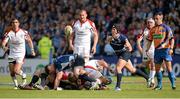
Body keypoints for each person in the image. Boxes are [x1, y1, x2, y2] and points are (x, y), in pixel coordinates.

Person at [109, 24, 149, 91]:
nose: (112, 30)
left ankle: (118, 87)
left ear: (117, 31)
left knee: (118, 68)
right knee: (132, 70)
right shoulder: (109, 38)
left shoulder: (122, 38)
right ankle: (148, 78)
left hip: (125, 53)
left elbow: (130, 48)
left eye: (114, 29)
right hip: (120, 55)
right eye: (112, 28)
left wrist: (128, 47)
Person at [1, 18, 35, 89]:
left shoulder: (23, 32)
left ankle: (24, 75)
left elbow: (29, 41)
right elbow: (3, 43)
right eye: (13, 22)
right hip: (12, 53)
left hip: (20, 54)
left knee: (16, 70)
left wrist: (32, 50)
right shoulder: (9, 33)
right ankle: (16, 85)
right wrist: (4, 47)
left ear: (18, 24)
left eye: (16, 22)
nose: (15, 23)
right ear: (12, 24)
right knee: (12, 72)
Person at [146, 11, 176, 90]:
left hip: (166, 50)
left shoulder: (166, 28)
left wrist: (172, 49)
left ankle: (173, 84)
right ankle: (159, 86)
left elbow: (172, 39)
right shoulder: (152, 29)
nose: (155, 20)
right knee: (158, 69)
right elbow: (149, 41)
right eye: (155, 18)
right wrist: (147, 50)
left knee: (169, 68)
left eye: (157, 18)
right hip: (157, 51)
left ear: (161, 18)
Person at [136, 18, 156, 87]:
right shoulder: (144, 31)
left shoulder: (157, 30)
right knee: (147, 66)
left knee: (153, 64)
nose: (149, 23)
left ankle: (152, 80)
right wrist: (140, 50)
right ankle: (149, 79)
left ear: (154, 23)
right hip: (145, 51)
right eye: (148, 22)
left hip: (154, 50)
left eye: (151, 22)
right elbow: (138, 41)